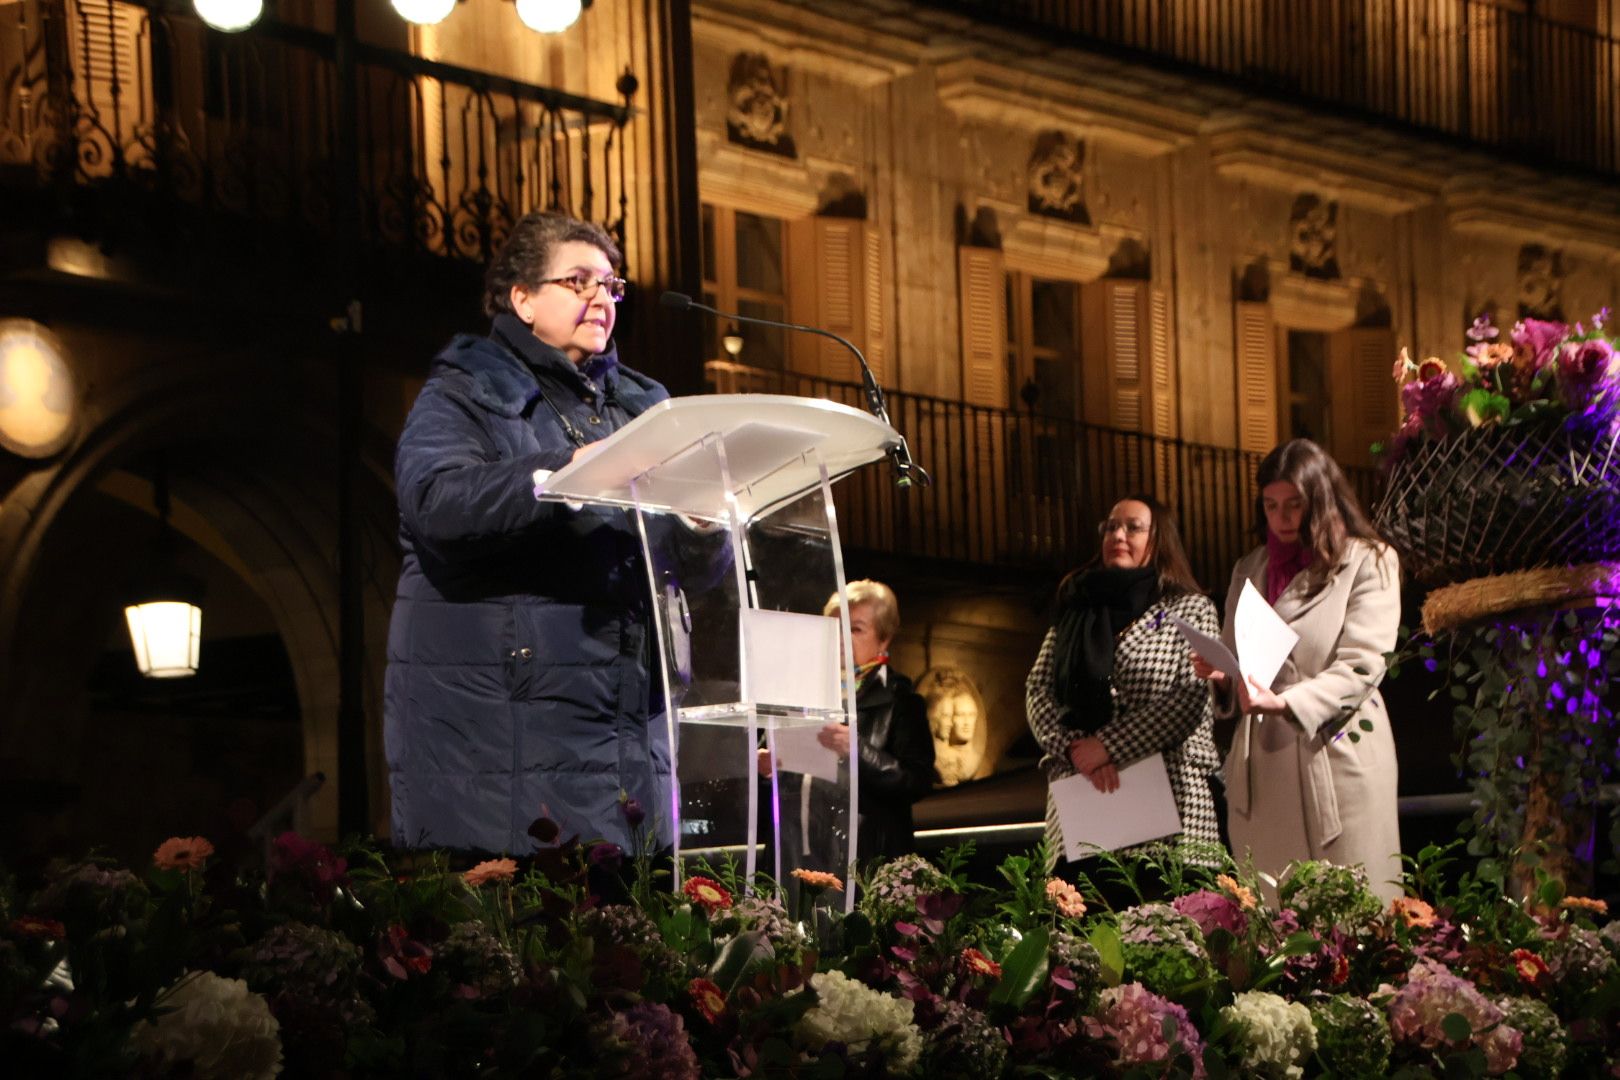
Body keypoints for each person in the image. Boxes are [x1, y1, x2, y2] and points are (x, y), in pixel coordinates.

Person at [386, 211, 686, 856]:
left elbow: (682, 557)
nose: (600, 297)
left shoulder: (644, 406)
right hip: (510, 720)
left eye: (611, 285)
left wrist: (702, 528)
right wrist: (555, 478)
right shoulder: (468, 391)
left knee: (627, 937)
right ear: (521, 298)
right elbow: (434, 500)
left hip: (628, 718)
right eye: (578, 281)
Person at [1194, 438, 1402, 902]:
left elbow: (1364, 664)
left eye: (1293, 505)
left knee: (1354, 910)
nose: (1282, 518)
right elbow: (1238, 654)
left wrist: (1288, 701)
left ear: (1321, 500)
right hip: (1264, 763)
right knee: (1275, 912)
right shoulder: (1249, 568)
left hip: (1336, 749)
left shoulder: (1369, 561)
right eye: (1270, 505)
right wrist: (1222, 675)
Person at [1026, 494, 1222, 877]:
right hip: (1085, 800)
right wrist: (1075, 748)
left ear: (1158, 540)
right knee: (1085, 930)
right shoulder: (1076, 608)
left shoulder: (1191, 609)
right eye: (1111, 526)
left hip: (1169, 803)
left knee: (1166, 928)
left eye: (1133, 527)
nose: (1118, 534)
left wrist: (1108, 747)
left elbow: (1188, 697)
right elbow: (1038, 689)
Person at [761, 579, 935, 872]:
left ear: (884, 638)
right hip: (796, 855)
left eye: (855, 628)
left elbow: (916, 780)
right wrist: (767, 766)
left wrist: (857, 750)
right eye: (835, 628)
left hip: (866, 860)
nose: (841, 637)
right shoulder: (803, 693)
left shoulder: (901, 700)